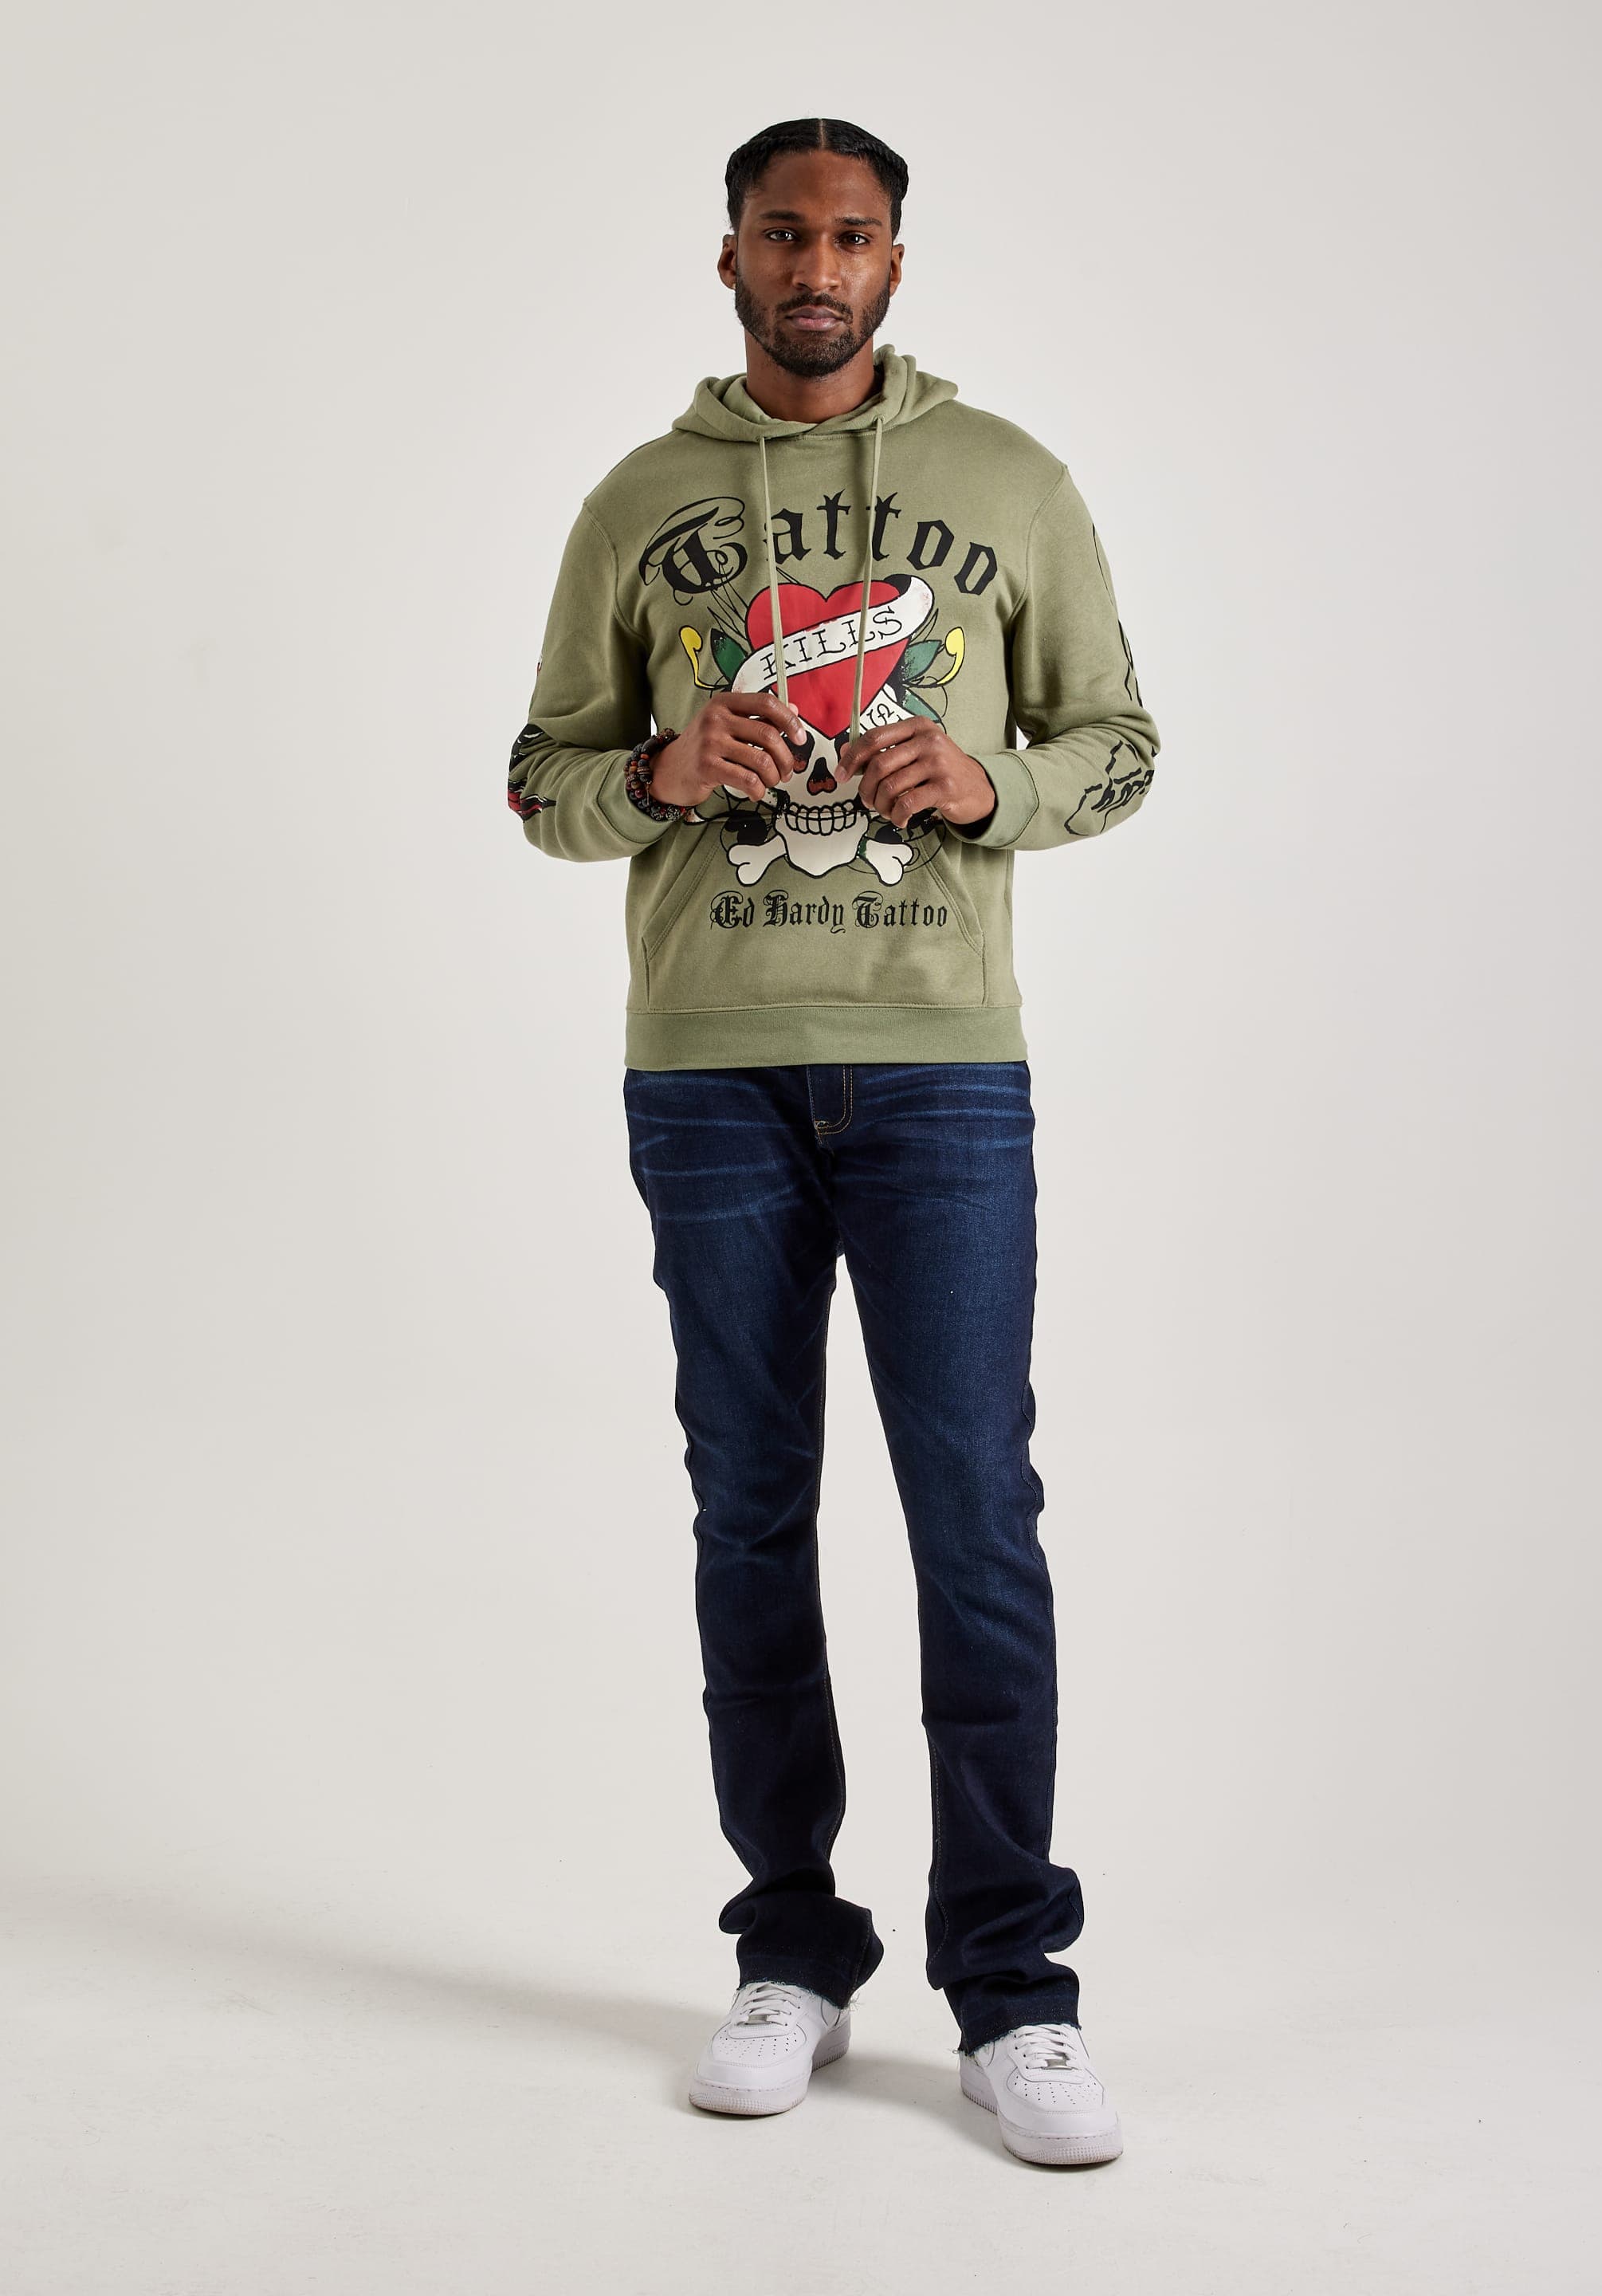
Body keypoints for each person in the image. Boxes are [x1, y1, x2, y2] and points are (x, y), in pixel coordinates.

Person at [508, 116, 1160, 2168]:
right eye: (782, 233)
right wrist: (660, 767)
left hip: (943, 1066)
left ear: (895, 260)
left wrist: (983, 783)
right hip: (710, 1070)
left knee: (976, 1521)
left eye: (851, 234)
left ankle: (1016, 1989)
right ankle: (790, 1950)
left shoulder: (1011, 483)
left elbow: (1120, 743)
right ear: (729, 257)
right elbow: (538, 780)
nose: (817, 265)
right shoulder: (639, 504)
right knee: (749, 1516)